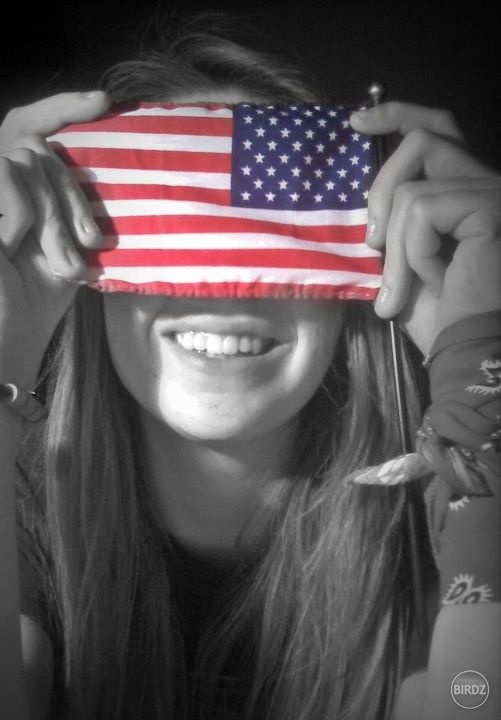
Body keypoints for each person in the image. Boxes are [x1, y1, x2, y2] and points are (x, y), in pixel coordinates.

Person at [0, 14, 500, 720]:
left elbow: (471, 700)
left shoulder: (439, 530)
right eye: (172, 231)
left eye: (280, 238)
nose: (228, 285)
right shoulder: (21, 511)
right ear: (93, 280)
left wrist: (484, 375)